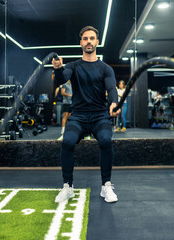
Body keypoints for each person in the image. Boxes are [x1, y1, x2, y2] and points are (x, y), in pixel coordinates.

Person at [52, 26, 121, 203]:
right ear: (81, 42)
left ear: (97, 42)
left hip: (99, 116)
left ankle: (106, 185)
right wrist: (58, 69)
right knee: (67, 141)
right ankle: (68, 186)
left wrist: (114, 103)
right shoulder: (73, 66)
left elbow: (111, 89)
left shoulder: (105, 68)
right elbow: (61, 79)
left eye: (92, 38)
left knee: (106, 140)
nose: (88, 41)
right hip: (79, 116)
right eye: (85, 38)